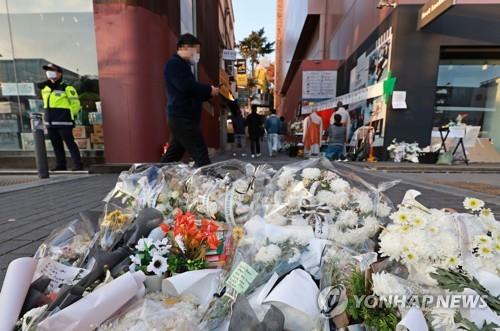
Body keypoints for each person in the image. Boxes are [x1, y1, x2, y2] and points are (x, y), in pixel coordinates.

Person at [160, 33, 219, 167]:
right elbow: (186, 86)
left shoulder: (182, 66)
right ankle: (209, 182)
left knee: (172, 155)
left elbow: (191, 92)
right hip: (183, 118)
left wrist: (210, 92)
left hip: (182, 117)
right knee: (200, 152)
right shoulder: (174, 64)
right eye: (196, 51)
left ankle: (151, 180)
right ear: (185, 47)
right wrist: (209, 89)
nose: (197, 55)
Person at [40, 63, 83, 171]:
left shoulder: (67, 87)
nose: (49, 72)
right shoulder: (45, 88)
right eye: (48, 70)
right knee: (56, 145)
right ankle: (61, 165)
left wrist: (70, 116)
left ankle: (78, 164)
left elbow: (75, 104)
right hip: (50, 121)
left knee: (70, 143)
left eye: (52, 70)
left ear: (59, 74)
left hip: (64, 122)